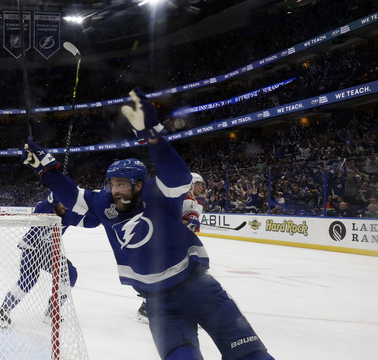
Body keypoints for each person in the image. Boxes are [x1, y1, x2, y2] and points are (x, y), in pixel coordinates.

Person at [22, 90, 274, 360]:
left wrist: (153, 138)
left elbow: (178, 176)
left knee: (250, 356)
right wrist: (47, 170)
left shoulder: (158, 195)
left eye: (122, 184)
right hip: (159, 304)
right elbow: (71, 195)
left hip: (199, 288)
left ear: (139, 185)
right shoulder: (105, 204)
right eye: (113, 184)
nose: (116, 190)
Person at [0, 191, 98, 329]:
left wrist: (97, 205)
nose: (65, 206)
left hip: (49, 252)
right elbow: (49, 198)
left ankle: (52, 310)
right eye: (62, 202)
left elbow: (92, 222)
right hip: (31, 248)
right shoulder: (43, 208)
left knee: (70, 274)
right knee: (29, 279)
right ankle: (3, 311)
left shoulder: (68, 215)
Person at [137, 172, 205, 324]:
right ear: (191, 185)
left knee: (187, 275)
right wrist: (181, 220)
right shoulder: (175, 198)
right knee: (163, 274)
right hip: (164, 243)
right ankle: (146, 308)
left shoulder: (196, 203)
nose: (202, 187)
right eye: (199, 183)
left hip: (181, 244)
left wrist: (191, 221)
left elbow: (189, 219)